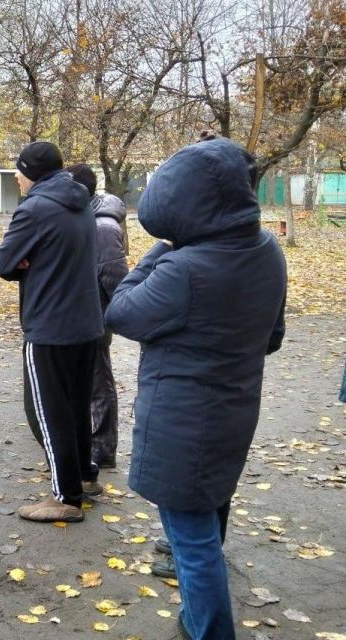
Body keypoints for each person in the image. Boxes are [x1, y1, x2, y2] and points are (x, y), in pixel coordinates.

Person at [105, 137, 286, 640]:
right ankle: (195, 617)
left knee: (192, 540)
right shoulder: (267, 249)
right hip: (234, 411)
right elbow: (272, 337)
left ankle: (208, 630)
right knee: (209, 517)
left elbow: (120, 312)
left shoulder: (184, 267)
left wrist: (157, 252)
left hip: (183, 422)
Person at [0, 141, 104, 523]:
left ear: (32, 172)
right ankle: (85, 476)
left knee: (44, 412)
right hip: (87, 324)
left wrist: (26, 260)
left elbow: (3, 263)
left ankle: (65, 496)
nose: (17, 178)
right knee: (75, 408)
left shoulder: (35, 208)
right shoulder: (83, 203)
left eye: (19, 171)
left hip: (50, 326)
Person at [66, 164, 129, 469]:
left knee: (98, 383)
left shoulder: (102, 226)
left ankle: (103, 449)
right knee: (88, 381)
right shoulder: (86, 217)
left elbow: (115, 276)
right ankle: (91, 443)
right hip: (80, 312)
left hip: (95, 314)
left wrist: (113, 315)